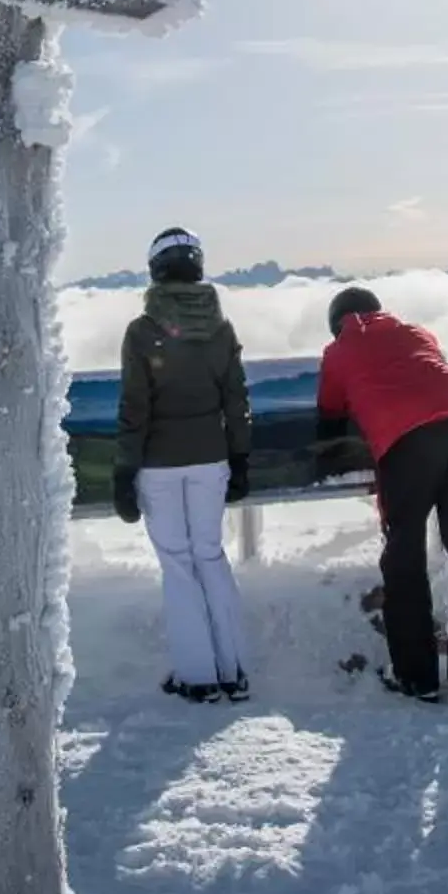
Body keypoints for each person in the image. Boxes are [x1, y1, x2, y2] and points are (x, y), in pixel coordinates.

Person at [316, 286, 448, 708]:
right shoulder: (417, 332)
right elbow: (432, 376)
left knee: (405, 555)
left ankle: (417, 677)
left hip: (408, 438)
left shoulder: (338, 350)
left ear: (336, 323)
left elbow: (329, 415)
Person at [112, 227, 254, 703]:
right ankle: (233, 670)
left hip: (159, 464)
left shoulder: (142, 331)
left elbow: (135, 409)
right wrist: (240, 458)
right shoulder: (222, 329)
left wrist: (124, 471)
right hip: (211, 460)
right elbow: (236, 401)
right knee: (210, 556)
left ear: (156, 271)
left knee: (177, 564)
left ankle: (198, 676)